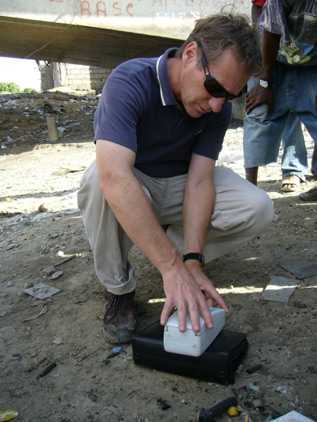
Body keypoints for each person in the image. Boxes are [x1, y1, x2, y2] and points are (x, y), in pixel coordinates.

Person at [77, 14, 274, 345]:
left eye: (229, 96)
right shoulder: (130, 80)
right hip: (137, 183)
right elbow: (115, 176)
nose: (216, 105)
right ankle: (119, 289)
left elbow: (199, 181)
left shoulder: (217, 108)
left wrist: (192, 261)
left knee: (258, 206)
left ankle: (183, 263)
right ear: (190, 54)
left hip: (181, 184)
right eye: (213, 88)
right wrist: (170, 267)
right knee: (99, 180)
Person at [244, 0, 317, 200]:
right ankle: (249, 188)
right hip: (275, 57)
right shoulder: (275, 2)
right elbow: (270, 31)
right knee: (257, 111)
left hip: (312, 61)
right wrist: (265, 82)